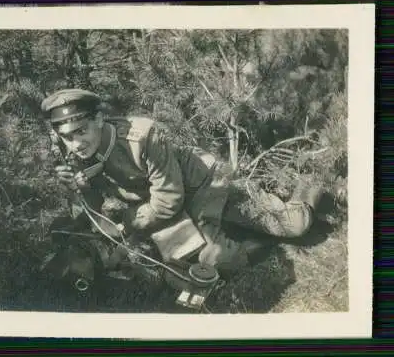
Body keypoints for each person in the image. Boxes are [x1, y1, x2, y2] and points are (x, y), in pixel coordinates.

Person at [42, 88, 325, 276]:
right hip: (160, 204)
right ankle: (235, 231)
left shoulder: (142, 135)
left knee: (294, 225)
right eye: (67, 136)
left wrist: (129, 226)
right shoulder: (74, 153)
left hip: (203, 185)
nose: (76, 143)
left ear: (100, 119)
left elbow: (169, 200)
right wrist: (80, 188)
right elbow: (95, 211)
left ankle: (316, 184)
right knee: (213, 265)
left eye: (81, 131)